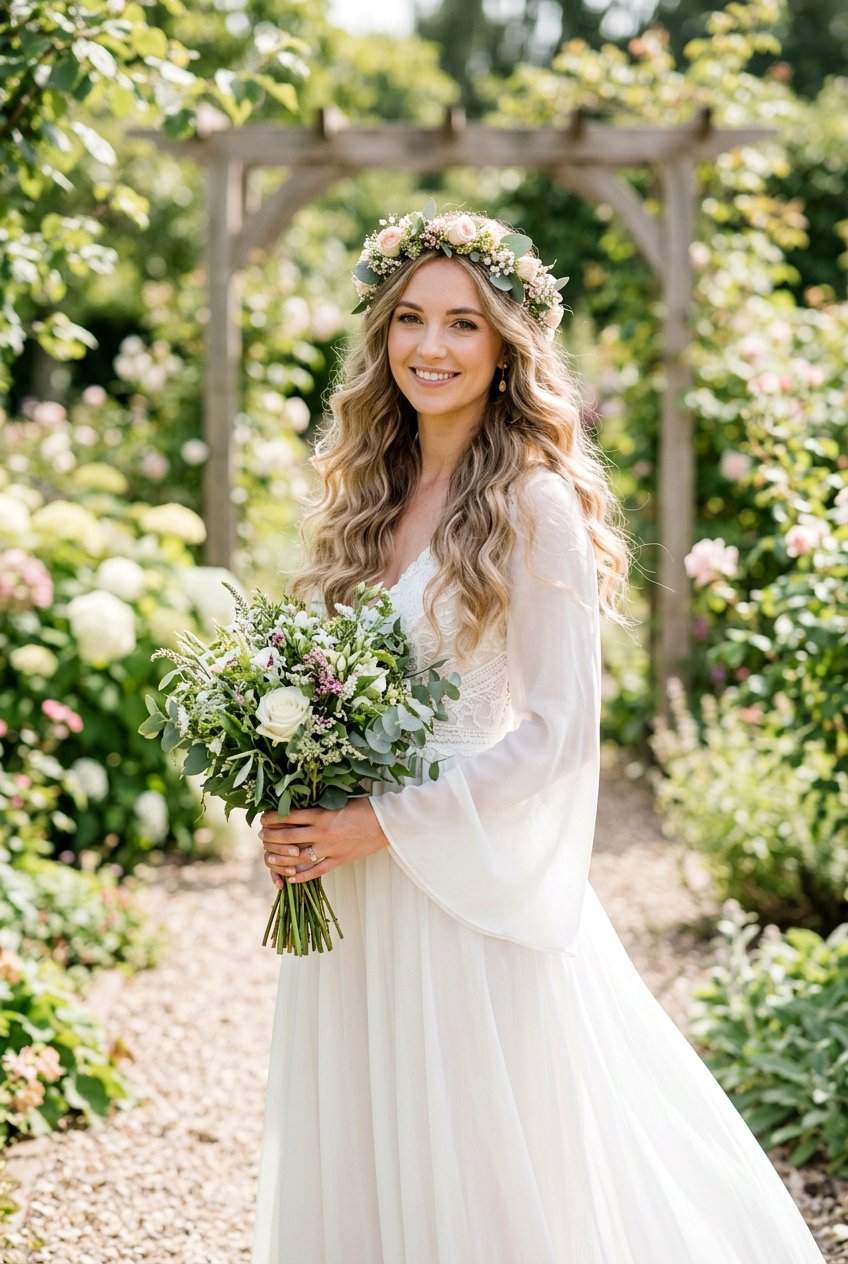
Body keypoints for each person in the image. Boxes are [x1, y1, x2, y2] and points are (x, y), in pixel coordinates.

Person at [251, 208, 826, 1264]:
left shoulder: (532, 502)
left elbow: (559, 734)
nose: (431, 347)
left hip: (459, 880)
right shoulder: (366, 501)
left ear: (507, 342)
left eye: (463, 324)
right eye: (409, 319)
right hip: (351, 878)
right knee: (370, 1139)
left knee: (482, 1157)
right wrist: (294, 791)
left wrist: (381, 823)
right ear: (380, 333)